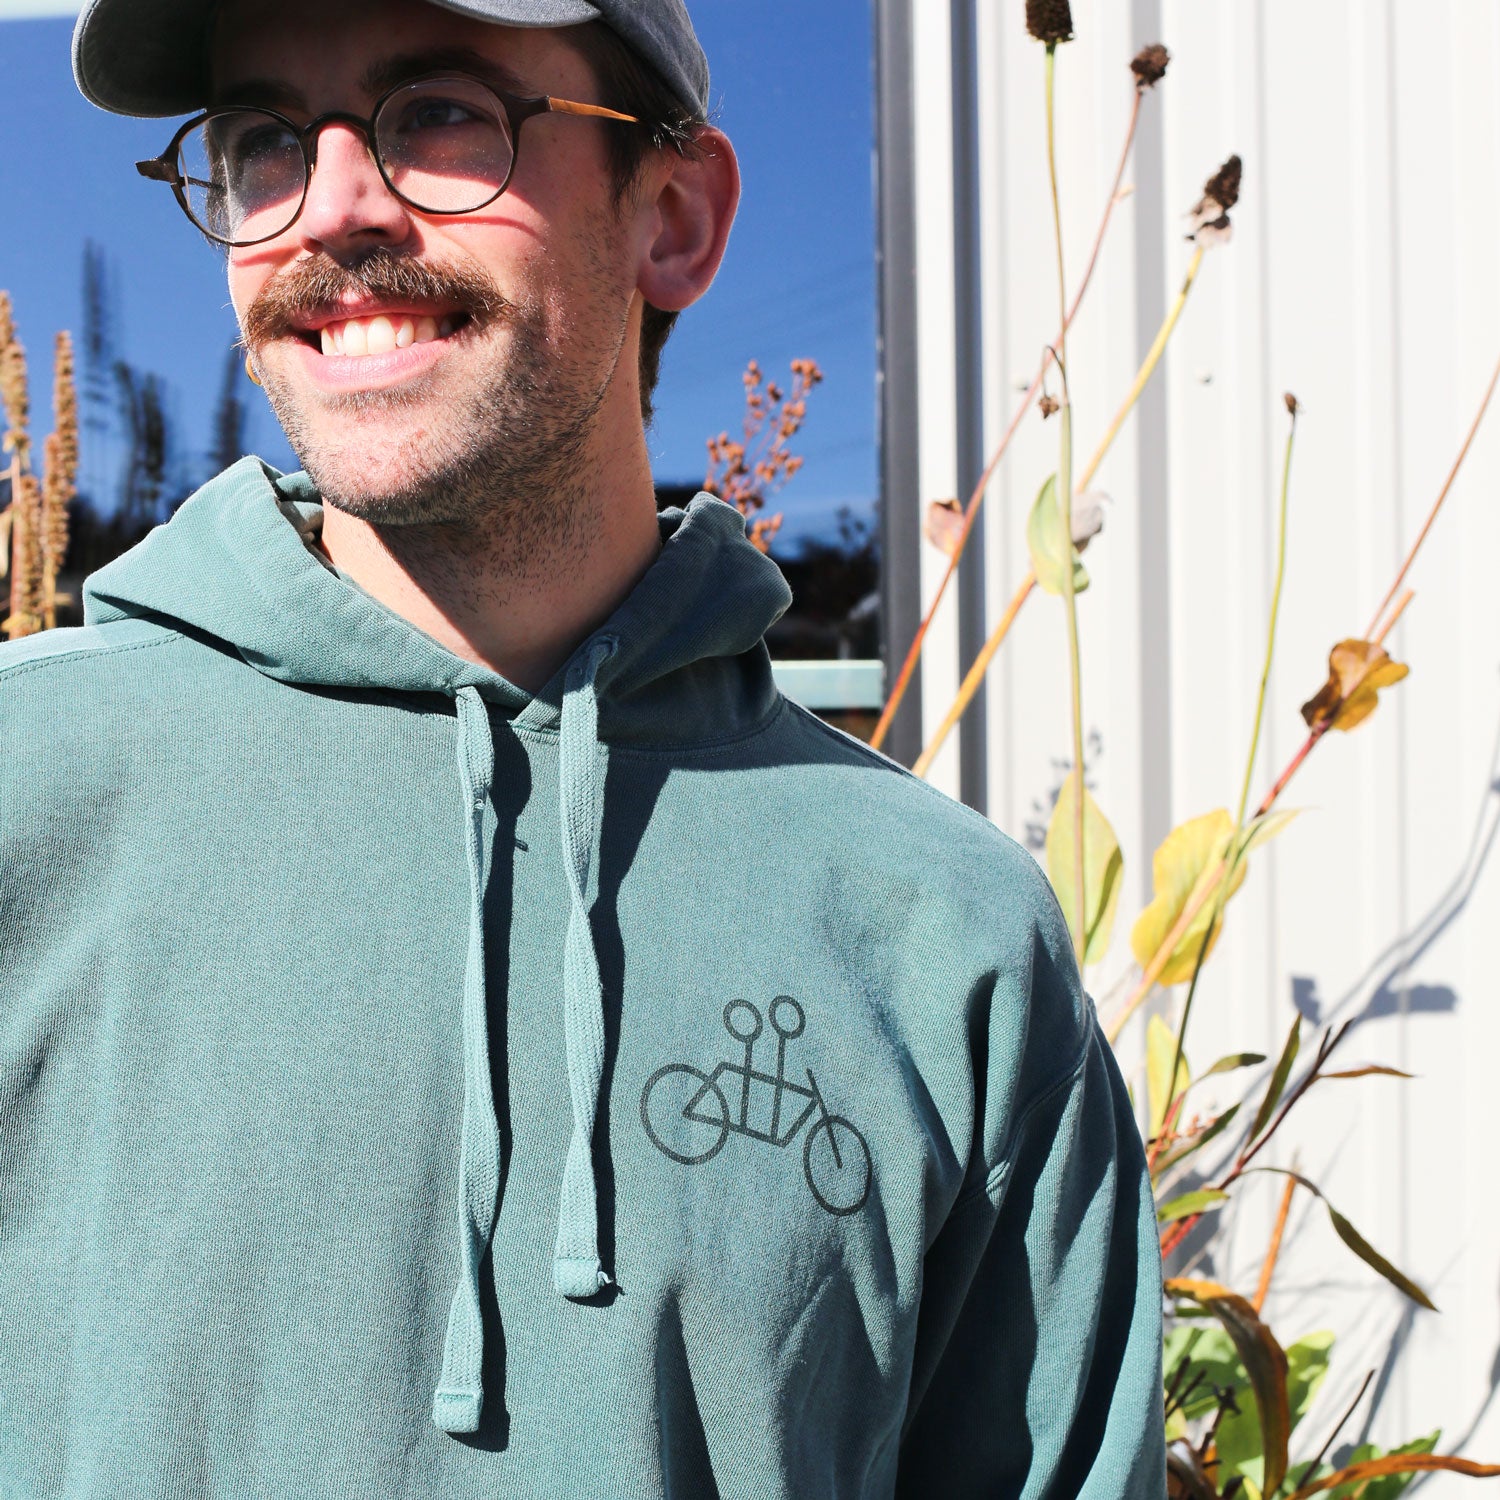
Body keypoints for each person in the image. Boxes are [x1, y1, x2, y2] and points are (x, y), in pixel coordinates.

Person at [0, 0, 1166, 1493]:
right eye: (262, 143)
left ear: (671, 216)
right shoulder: (32, 799)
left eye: (440, 114)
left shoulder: (939, 936)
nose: (333, 208)